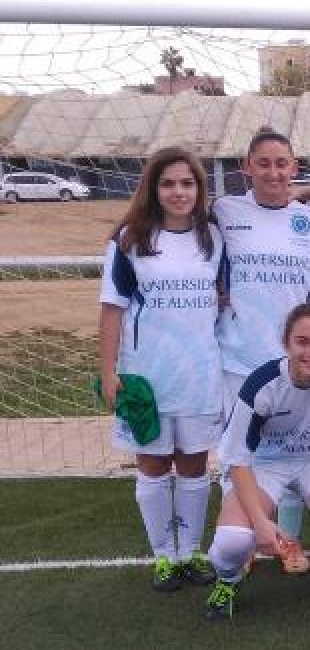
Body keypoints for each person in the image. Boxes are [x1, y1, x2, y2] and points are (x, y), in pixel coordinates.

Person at [98, 146, 222, 591]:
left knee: (193, 468)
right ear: (153, 187)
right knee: (152, 467)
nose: (178, 192)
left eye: (187, 183)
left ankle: (190, 553)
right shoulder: (130, 239)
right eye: (168, 183)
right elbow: (111, 310)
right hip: (146, 377)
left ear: (199, 189)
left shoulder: (214, 237)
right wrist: (109, 373)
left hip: (200, 376)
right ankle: (163, 557)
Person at [204, 304, 310, 619]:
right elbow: (235, 461)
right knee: (233, 542)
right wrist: (260, 522)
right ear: (286, 344)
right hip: (262, 465)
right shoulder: (261, 386)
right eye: (302, 341)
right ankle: (228, 581)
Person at [212, 126, 310, 558]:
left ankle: (287, 544)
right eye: (264, 163)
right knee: (238, 454)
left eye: (282, 163)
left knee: (291, 451)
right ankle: (241, 545)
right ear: (246, 168)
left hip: (296, 362)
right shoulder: (224, 211)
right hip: (240, 357)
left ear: (294, 168)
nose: (274, 172)